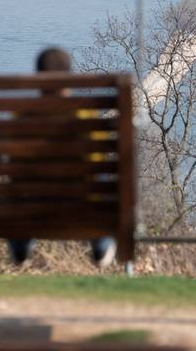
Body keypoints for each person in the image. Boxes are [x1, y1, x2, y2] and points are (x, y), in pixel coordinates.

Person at [8, 47, 116, 268]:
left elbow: (12, 165)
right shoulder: (85, 114)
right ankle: (101, 242)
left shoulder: (21, 115)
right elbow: (98, 161)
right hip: (79, 204)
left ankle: (20, 244)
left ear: (38, 78)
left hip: (33, 205)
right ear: (69, 79)